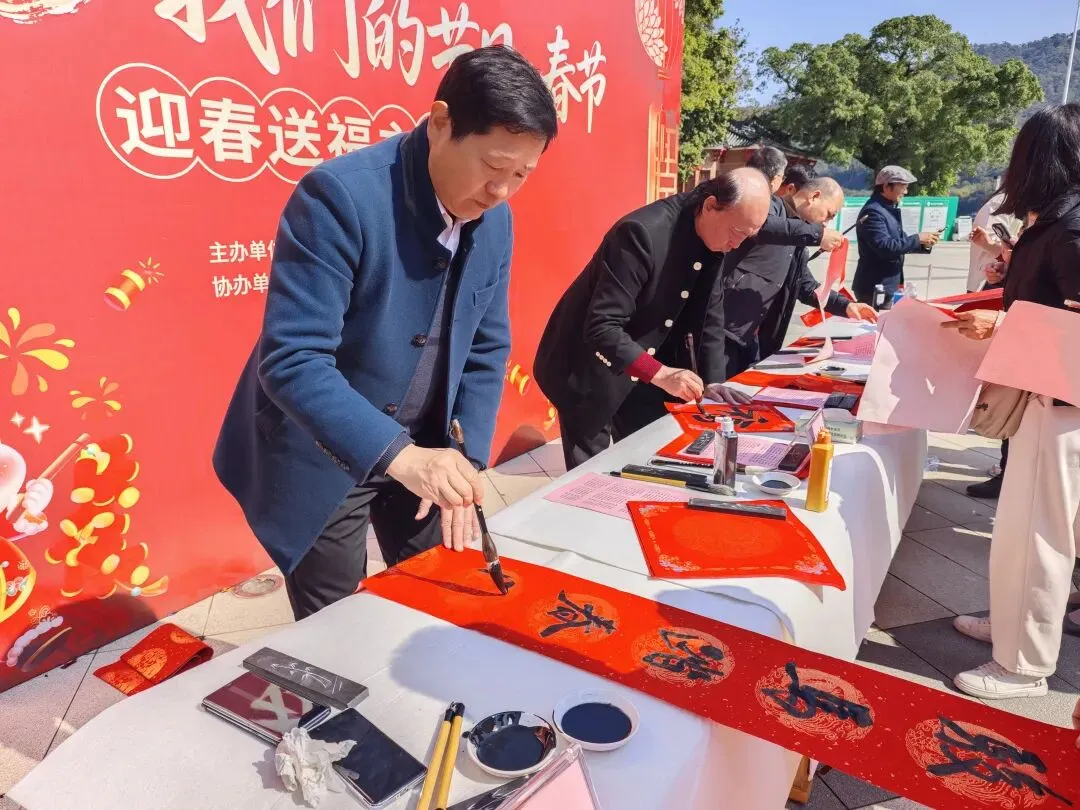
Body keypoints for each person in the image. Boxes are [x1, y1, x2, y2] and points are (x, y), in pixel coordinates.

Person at [212, 46, 558, 620]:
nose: (501, 191)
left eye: (521, 175)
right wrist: (402, 456)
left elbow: (485, 346)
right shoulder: (339, 197)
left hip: (427, 441)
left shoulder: (495, 219)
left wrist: (465, 458)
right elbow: (293, 360)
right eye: (493, 167)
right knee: (336, 626)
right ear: (441, 122)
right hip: (326, 450)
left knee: (434, 594)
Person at [945, 103, 1080, 699]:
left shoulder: (1071, 228)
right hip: (1045, 394)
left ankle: (1023, 664)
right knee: (1024, 530)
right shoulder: (1057, 221)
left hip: (1061, 404)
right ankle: (1011, 625)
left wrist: (1001, 327)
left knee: (1038, 535)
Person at [534, 168, 773, 470]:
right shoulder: (641, 233)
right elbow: (602, 326)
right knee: (591, 473)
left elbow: (710, 313)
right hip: (587, 366)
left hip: (645, 363)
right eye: (737, 232)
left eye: (748, 236)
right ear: (711, 206)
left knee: (647, 458)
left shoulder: (714, 235)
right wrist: (661, 374)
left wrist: (713, 381)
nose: (737, 244)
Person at [722, 175, 876, 378]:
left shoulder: (798, 235)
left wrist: (846, 306)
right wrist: (817, 235)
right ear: (814, 196)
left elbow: (805, 285)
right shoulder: (771, 207)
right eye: (829, 214)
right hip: (726, 329)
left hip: (755, 337)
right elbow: (763, 226)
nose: (827, 222)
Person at [853, 166, 941, 309]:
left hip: (886, 285)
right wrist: (917, 238)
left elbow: (900, 241)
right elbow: (885, 247)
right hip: (875, 287)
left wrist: (925, 243)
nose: (905, 192)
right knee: (876, 323)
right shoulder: (874, 212)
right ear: (886, 187)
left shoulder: (886, 209)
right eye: (903, 187)